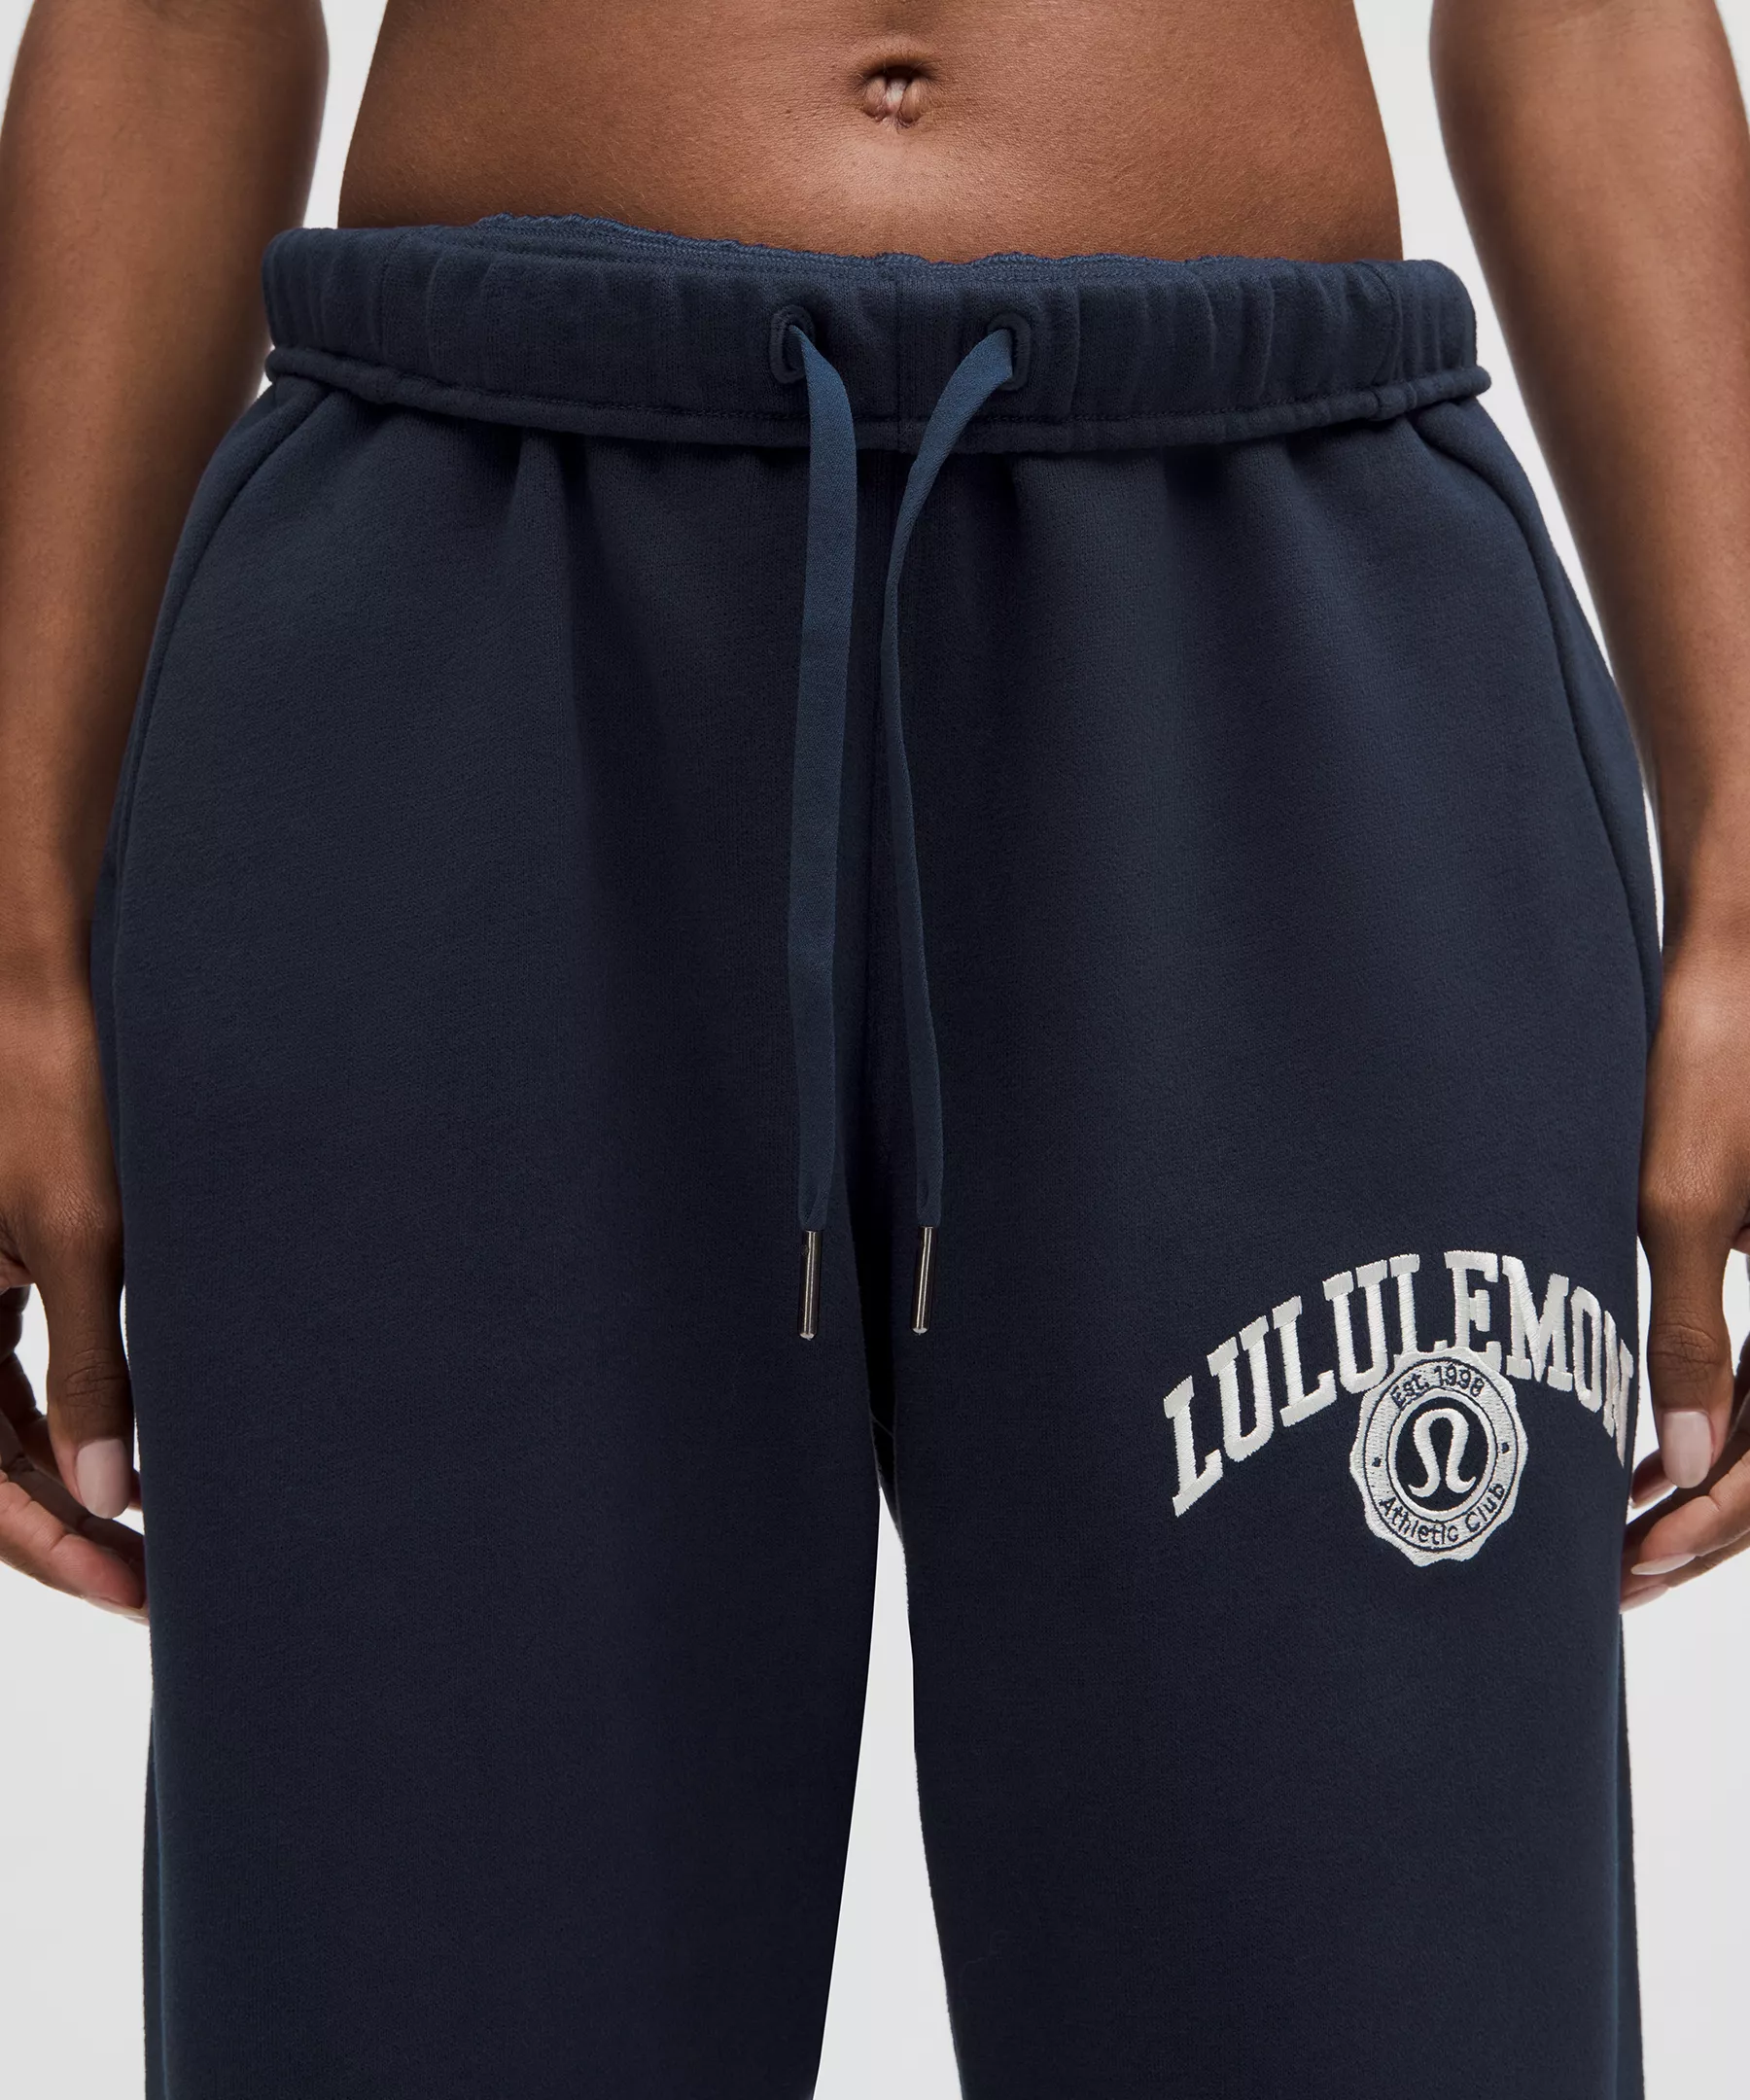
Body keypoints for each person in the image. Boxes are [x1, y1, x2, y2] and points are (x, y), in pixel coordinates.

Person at [2, 0, 1747, 2091]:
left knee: (1380, 2012)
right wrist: (17, 939)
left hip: (1276, 632)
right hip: (469, 629)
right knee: (414, 2013)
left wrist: (1747, 883)